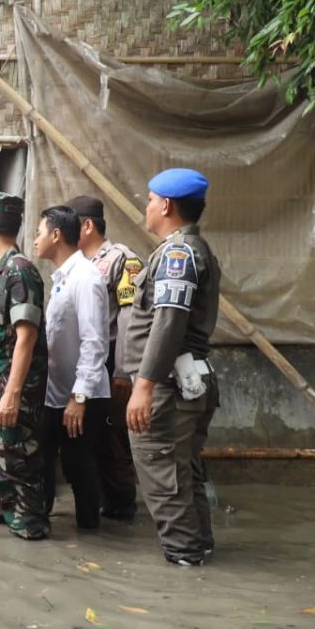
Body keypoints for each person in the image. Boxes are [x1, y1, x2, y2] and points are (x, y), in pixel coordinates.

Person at [122, 168, 220, 567]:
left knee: (164, 480)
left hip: (167, 389)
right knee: (184, 474)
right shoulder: (187, 249)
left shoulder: (178, 254)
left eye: (149, 199)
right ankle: (198, 552)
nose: (146, 206)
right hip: (185, 382)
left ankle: (185, 565)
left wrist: (143, 387)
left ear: (165, 204)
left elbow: (169, 321)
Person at [0, 193, 50, 539]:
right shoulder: (0, 270)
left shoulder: (21, 272)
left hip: (7, 395)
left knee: (18, 468)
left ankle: (31, 534)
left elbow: (26, 337)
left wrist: (13, 394)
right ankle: (9, 523)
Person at [33, 205, 110, 529]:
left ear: (55, 235)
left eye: (39, 233)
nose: (35, 240)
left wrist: (79, 398)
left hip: (82, 395)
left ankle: (91, 541)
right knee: (42, 461)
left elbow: (95, 342)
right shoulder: (63, 278)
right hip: (57, 392)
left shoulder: (86, 278)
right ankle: (39, 530)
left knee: (79, 469)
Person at [66, 195, 142, 521]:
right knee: (86, 436)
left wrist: (124, 371)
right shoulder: (75, 263)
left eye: (70, 225)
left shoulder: (121, 260)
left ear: (87, 225)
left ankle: (121, 505)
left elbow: (129, 318)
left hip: (111, 362)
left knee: (112, 437)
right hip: (84, 364)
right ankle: (95, 503)